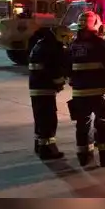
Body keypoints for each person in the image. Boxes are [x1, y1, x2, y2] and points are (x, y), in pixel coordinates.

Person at [67, 11, 105, 167]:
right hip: (99, 92)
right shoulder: (100, 44)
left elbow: (66, 67)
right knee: (104, 122)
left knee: (82, 125)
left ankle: (84, 158)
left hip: (79, 93)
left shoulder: (73, 45)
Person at [28, 26, 68, 160]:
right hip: (45, 88)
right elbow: (54, 69)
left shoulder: (39, 45)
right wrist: (60, 83)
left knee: (40, 119)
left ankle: (39, 146)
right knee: (48, 120)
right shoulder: (52, 47)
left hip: (36, 87)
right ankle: (48, 150)